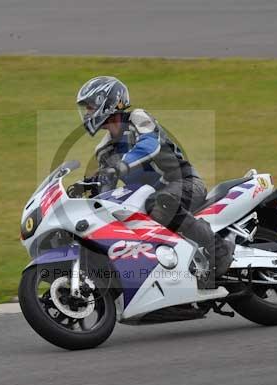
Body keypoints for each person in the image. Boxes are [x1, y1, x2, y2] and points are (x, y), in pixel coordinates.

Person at [76, 76, 234, 287]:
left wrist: (123, 164)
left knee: (160, 205)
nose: (87, 113)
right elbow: (106, 189)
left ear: (109, 101)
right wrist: (87, 193)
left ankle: (219, 249)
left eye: (90, 106)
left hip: (185, 183)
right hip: (152, 197)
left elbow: (150, 145)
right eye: (85, 108)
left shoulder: (138, 119)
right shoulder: (103, 151)